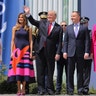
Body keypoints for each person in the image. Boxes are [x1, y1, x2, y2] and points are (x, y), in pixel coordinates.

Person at [24, 6, 63, 95]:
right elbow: (33, 21)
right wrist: (28, 14)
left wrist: (58, 53)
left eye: (50, 15)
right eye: (48, 15)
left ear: (55, 16)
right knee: (40, 71)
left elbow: (60, 42)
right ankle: (41, 89)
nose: (48, 16)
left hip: (51, 52)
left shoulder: (58, 28)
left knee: (50, 71)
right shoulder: (42, 23)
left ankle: (49, 89)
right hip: (40, 51)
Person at [7, 13, 35, 95]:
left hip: (26, 51)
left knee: (25, 71)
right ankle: (18, 89)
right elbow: (12, 40)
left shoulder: (28, 28)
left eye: (22, 17)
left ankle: (23, 90)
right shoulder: (14, 28)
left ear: (24, 19)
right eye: (19, 17)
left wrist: (31, 52)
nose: (20, 18)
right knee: (18, 71)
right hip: (17, 52)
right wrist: (11, 52)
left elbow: (31, 41)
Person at [62, 11, 90, 95]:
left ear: (78, 17)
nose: (72, 18)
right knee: (70, 72)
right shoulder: (69, 28)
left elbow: (87, 41)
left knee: (80, 72)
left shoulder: (84, 28)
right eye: (71, 16)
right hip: (70, 53)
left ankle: (80, 89)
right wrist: (64, 51)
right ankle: (70, 90)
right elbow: (66, 41)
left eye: (74, 16)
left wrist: (86, 52)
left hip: (81, 53)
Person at [55, 21, 68, 94]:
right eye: (62, 25)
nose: (63, 27)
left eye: (65, 25)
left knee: (68, 73)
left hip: (67, 56)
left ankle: (68, 89)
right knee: (59, 73)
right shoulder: (57, 34)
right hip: (59, 55)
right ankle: (58, 89)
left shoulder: (69, 34)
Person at [80, 17, 92, 95]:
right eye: (82, 23)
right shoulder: (78, 32)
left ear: (87, 23)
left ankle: (85, 89)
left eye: (85, 23)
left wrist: (92, 54)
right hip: (79, 55)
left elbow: (93, 44)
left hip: (88, 55)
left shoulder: (91, 32)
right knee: (80, 72)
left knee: (87, 72)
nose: (84, 24)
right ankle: (80, 88)